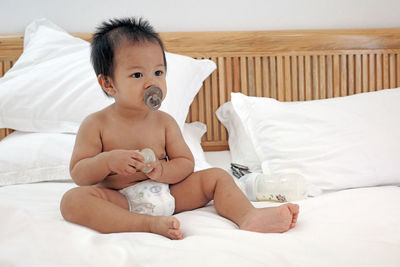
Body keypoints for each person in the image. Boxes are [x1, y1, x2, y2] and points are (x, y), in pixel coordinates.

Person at [60, 17, 299, 240]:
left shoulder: (164, 122)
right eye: (137, 74)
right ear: (109, 83)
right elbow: (80, 174)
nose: (151, 82)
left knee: (216, 176)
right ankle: (144, 224)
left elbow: (185, 163)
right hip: (120, 200)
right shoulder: (96, 124)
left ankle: (249, 216)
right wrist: (108, 161)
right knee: (73, 200)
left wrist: (161, 171)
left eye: (158, 72)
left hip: (168, 193)